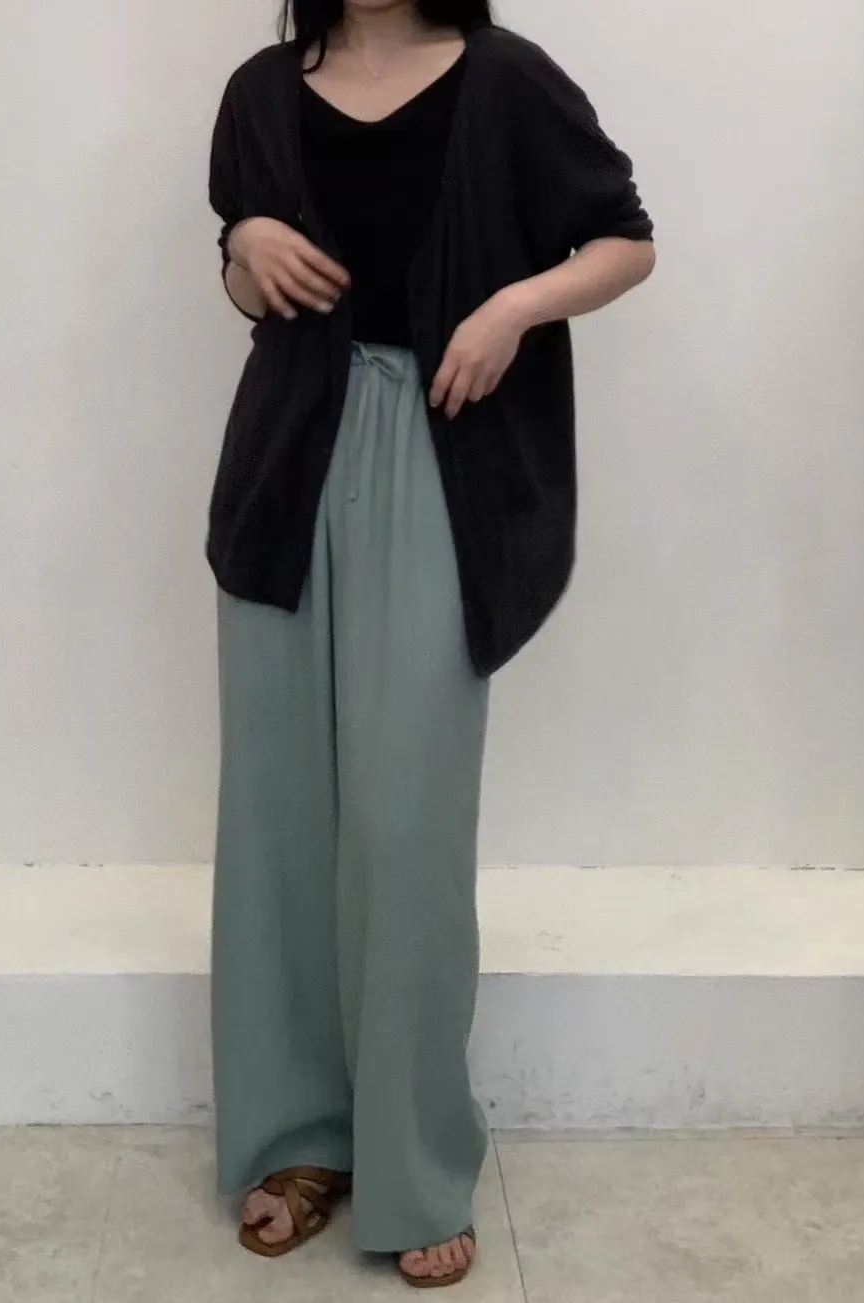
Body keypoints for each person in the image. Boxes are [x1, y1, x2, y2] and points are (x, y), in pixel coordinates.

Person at [207, 0, 654, 1287]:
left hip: (444, 459)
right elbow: (245, 286)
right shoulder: (260, 90)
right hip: (286, 464)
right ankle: (299, 1141)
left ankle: (413, 1158)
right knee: (280, 818)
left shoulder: (508, 82)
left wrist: (515, 305)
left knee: (405, 823)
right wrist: (245, 241)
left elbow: (625, 240)